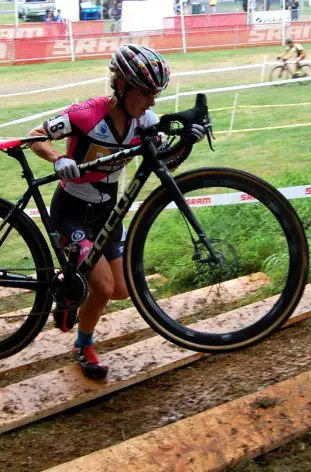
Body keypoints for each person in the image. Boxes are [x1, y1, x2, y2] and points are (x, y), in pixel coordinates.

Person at [25, 44, 205, 380]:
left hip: (108, 216)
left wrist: (187, 142)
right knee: (104, 289)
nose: (152, 102)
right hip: (72, 211)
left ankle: (69, 283)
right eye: (147, 93)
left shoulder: (145, 121)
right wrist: (57, 159)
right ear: (121, 85)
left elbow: (163, 161)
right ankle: (83, 344)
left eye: (155, 94)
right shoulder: (86, 114)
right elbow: (35, 136)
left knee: (122, 290)